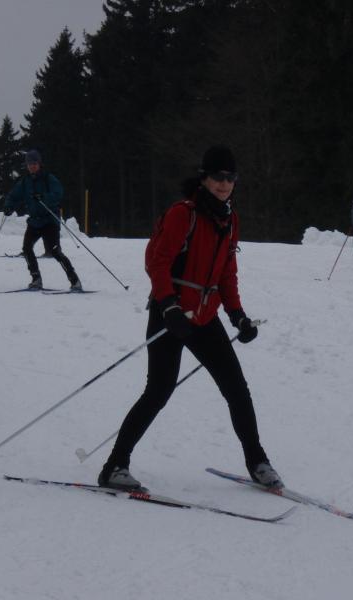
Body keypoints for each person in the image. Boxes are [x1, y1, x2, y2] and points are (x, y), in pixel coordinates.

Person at [97, 145, 283, 491]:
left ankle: (258, 461)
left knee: (237, 389)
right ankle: (114, 466)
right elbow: (157, 262)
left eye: (230, 178)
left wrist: (238, 316)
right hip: (171, 315)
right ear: (204, 178)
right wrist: (169, 306)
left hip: (204, 317)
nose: (224, 184)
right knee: (159, 390)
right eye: (218, 177)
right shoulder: (184, 214)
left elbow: (227, 273)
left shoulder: (230, 220)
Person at [3, 150, 82, 291]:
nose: (32, 166)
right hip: (34, 222)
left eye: (34, 163)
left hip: (49, 221)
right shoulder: (25, 182)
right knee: (27, 249)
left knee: (55, 252)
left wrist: (43, 197)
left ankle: (75, 281)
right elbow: (13, 195)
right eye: (29, 164)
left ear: (39, 164)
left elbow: (58, 193)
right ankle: (36, 279)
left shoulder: (48, 178)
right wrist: (8, 206)